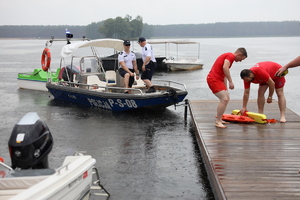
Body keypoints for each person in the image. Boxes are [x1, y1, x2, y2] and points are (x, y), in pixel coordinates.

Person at [207, 47, 248, 128]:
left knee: (227, 97)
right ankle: (218, 122)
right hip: (213, 79)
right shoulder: (230, 56)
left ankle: (220, 119)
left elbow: (224, 74)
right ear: (239, 54)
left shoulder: (229, 57)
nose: (240, 61)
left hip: (219, 79)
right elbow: (225, 68)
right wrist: (231, 81)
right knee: (224, 99)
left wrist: (226, 88)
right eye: (241, 59)